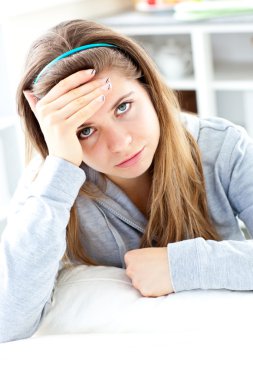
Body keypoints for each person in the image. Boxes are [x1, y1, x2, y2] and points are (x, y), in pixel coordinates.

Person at [1, 18, 253, 344]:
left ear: (149, 89)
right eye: (85, 130)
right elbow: (7, 322)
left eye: (123, 106)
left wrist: (180, 266)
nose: (120, 143)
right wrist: (61, 166)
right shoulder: (50, 183)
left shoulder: (222, 148)